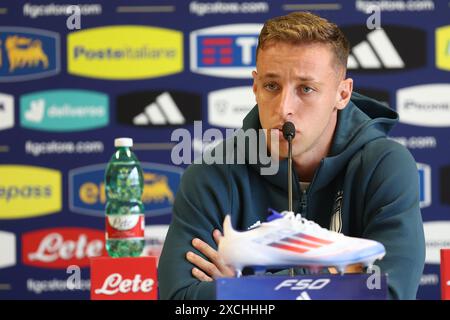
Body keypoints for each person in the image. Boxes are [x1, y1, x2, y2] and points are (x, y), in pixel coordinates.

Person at [158, 11, 425, 300]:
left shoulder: (385, 166)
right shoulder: (212, 173)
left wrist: (238, 289)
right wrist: (340, 276)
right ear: (255, 86)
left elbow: (389, 294)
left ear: (342, 94)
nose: (284, 107)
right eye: (272, 86)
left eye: (306, 89)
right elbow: (181, 300)